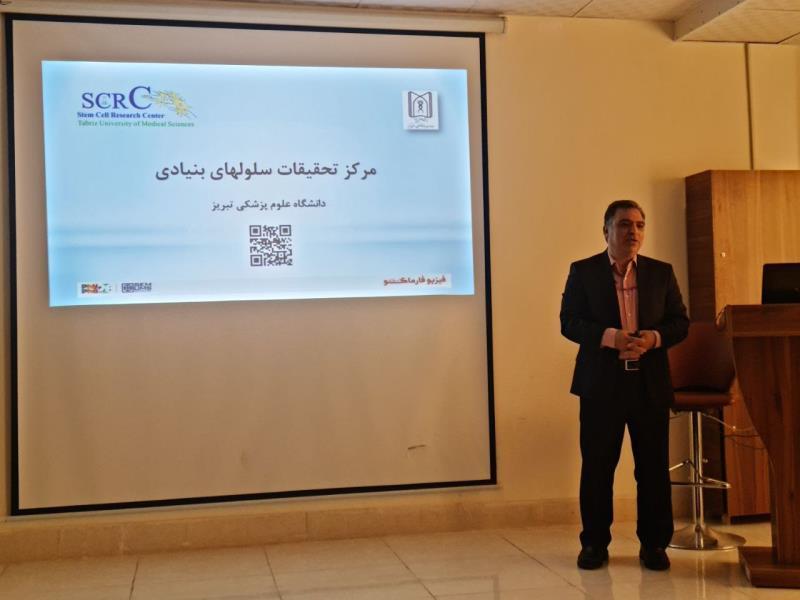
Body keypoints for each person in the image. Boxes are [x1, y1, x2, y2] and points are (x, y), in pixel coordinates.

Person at [559, 199, 689, 571]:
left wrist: (653, 338)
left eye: (639, 225)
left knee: (652, 468)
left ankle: (654, 545)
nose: (633, 232)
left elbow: (679, 322)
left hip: (649, 383)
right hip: (602, 385)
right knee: (598, 467)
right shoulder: (583, 271)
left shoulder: (661, 273)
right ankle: (594, 544)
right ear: (606, 231)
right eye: (624, 224)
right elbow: (569, 322)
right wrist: (610, 337)